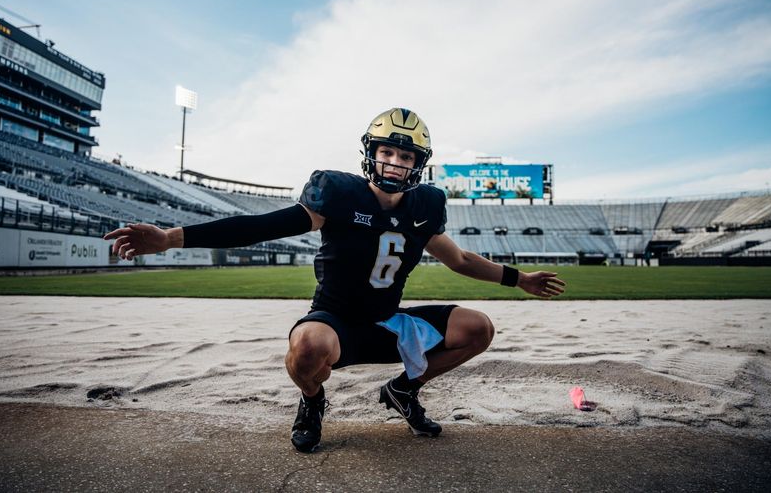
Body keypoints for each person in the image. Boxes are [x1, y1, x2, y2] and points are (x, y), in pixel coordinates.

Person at [103, 108, 566, 453]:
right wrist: (170, 238)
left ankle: (403, 390)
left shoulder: (424, 206)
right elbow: (264, 226)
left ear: (418, 163)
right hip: (335, 325)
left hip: (388, 324)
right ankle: (312, 400)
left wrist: (519, 279)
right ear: (370, 153)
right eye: (386, 151)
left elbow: (460, 259)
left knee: (478, 328)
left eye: (405, 156)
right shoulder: (338, 194)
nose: (394, 163)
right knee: (307, 349)